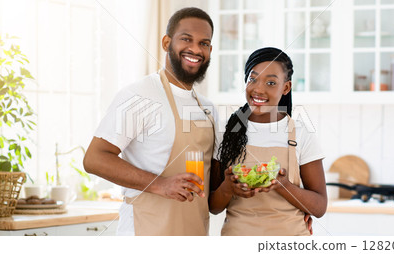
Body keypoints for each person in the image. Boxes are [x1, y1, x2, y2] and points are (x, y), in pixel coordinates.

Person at [83, 7, 217, 236]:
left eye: (203, 43)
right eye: (186, 39)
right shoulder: (140, 95)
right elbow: (94, 159)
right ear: (166, 42)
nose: (195, 49)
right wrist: (161, 184)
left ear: (210, 50)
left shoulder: (208, 108)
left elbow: (213, 189)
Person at [209, 47, 327, 236]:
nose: (259, 89)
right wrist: (227, 188)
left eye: (271, 82)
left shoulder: (301, 133)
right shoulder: (225, 133)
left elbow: (320, 207)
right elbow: (213, 206)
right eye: (252, 79)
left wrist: (284, 186)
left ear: (286, 87)